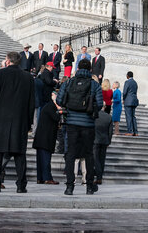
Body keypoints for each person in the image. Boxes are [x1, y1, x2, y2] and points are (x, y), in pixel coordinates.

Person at [0, 51, 36, 193]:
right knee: (19, 154)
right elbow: (31, 103)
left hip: (0, 118)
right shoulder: (28, 77)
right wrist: (29, 122)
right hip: (19, 120)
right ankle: (21, 185)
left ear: (7, 61)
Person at [57, 58, 102, 195]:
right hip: (88, 124)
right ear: (90, 70)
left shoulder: (69, 82)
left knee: (71, 154)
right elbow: (99, 104)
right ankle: (89, 186)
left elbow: (59, 100)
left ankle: (69, 186)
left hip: (71, 123)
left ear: (77, 69)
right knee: (88, 154)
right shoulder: (94, 85)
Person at [34, 94, 60, 185]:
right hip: (45, 139)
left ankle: (40, 178)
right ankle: (47, 178)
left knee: (41, 160)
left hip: (41, 139)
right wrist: (60, 112)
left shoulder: (47, 106)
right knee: (45, 160)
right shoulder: (51, 107)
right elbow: (56, 118)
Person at [94, 105, 113, 184]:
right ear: (104, 107)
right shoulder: (109, 117)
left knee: (96, 158)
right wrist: (109, 141)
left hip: (95, 140)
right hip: (104, 140)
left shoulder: (94, 115)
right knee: (102, 159)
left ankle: (99, 176)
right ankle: (99, 177)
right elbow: (110, 131)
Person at [122, 71, 139, 136]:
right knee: (133, 116)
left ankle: (130, 131)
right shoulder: (135, 82)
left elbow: (124, 92)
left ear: (128, 76)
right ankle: (136, 132)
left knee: (128, 116)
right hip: (134, 100)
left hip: (128, 101)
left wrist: (124, 99)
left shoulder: (127, 82)